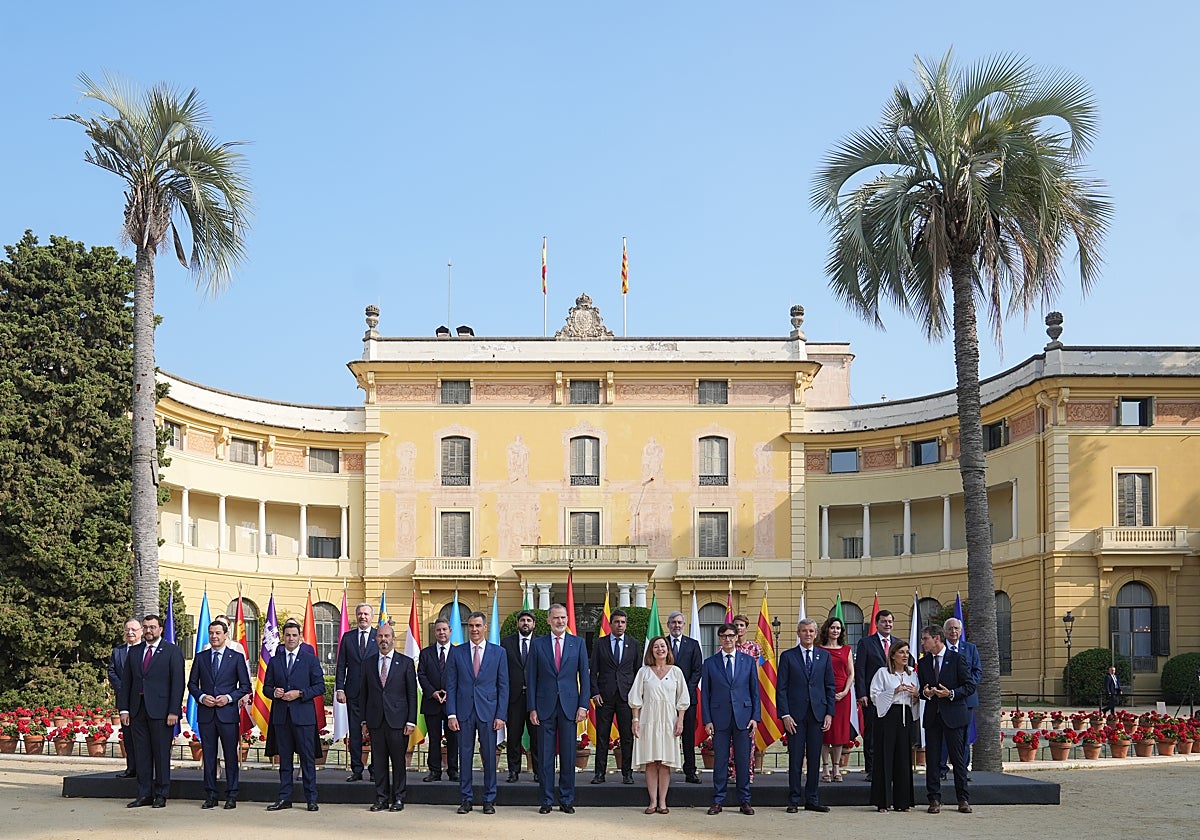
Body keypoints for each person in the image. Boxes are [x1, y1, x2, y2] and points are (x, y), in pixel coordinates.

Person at [526, 603, 590, 814]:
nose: (560, 621)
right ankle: (545, 800)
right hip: (544, 707)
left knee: (568, 756)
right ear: (548, 620)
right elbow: (532, 679)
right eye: (556, 618)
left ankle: (566, 799)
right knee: (544, 757)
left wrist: (583, 705)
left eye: (563, 618)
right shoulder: (538, 645)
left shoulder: (578, 643)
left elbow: (585, 677)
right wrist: (532, 708)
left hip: (570, 708)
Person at [118, 613, 184, 809]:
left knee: (161, 754)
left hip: (162, 712)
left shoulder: (172, 651)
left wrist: (174, 711)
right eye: (145, 627)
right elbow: (127, 682)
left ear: (161, 629)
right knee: (142, 754)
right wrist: (124, 709)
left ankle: (161, 794)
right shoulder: (135, 652)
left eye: (152, 627)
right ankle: (144, 794)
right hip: (138, 711)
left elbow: (177, 683)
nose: (148, 630)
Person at [447, 611, 509, 814]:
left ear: (485, 627)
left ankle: (489, 799)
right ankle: (466, 799)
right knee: (464, 756)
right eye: (471, 626)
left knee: (489, 757)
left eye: (478, 626)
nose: (474, 629)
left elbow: (503, 686)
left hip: (489, 712)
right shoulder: (457, 652)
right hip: (464, 712)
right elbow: (451, 685)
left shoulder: (498, 652)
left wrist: (501, 715)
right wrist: (451, 714)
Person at [187, 618, 252, 809]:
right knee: (209, 755)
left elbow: (245, 686)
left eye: (218, 633)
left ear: (225, 635)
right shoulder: (201, 657)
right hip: (206, 714)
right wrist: (201, 697)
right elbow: (192, 684)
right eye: (211, 633)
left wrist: (229, 698)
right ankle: (211, 795)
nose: (214, 636)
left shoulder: (236, 657)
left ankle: (231, 795)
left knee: (230, 756)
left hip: (227, 714)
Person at [263, 619, 325, 812]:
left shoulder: (310, 659)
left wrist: (300, 693)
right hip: (282, 718)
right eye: (288, 635)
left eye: (294, 635)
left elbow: (320, 687)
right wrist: (274, 693)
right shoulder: (275, 660)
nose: (291, 638)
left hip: (303, 718)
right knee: (285, 761)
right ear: (283, 637)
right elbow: (266, 688)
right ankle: (284, 798)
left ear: (300, 637)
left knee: (307, 760)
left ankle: (311, 798)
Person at [777, 617, 835, 814]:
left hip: (818, 714)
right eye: (804, 631)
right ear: (798, 633)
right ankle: (793, 799)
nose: (808, 634)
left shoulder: (824, 656)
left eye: (811, 631)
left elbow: (829, 686)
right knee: (795, 758)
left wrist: (829, 713)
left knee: (814, 758)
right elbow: (781, 689)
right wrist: (784, 715)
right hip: (795, 716)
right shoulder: (787, 656)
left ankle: (812, 799)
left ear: (816, 634)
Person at [701, 622, 760, 816]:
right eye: (724, 636)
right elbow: (706, 695)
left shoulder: (748, 661)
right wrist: (707, 720)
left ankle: (745, 801)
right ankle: (718, 800)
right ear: (720, 638)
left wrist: (755, 718)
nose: (728, 639)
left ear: (737, 637)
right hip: (719, 719)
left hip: (744, 717)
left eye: (731, 635)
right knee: (720, 761)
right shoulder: (710, 663)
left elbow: (755, 692)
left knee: (744, 760)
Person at [359, 621, 417, 812]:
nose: (383, 640)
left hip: (398, 722)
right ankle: (381, 798)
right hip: (376, 721)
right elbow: (364, 694)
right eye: (380, 636)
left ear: (393, 638)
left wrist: (411, 721)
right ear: (376, 639)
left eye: (387, 636)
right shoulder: (368, 663)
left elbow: (411, 694)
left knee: (398, 762)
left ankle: (399, 798)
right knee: (379, 761)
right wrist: (364, 721)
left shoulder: (406, 663)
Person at [918, 624, 975, 814]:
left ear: (937, 638)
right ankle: (934, 799)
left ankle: (963, 799)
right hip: (933, 717)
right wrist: (925, 693)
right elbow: (921, 689)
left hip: (954, 715)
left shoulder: (957, 659)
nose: (922, 642)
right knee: (932, 760)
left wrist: (950, 694)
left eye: (925, 638)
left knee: (958, 760)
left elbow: (969, 686)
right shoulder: (924, 663)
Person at [629, 636, 689, 814]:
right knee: (650, 762)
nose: (660, 649)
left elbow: (683, 699)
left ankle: (663, 802)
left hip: (669, 721)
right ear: (651, 651)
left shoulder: (676, 672)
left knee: (664, 763)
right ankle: (652, 802)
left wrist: (680, 720)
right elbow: (635, 699)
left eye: (663, 646)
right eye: (656, 647)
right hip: (648, 721)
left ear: (668, 649)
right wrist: (635, 721)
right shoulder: (644, 672)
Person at [590, 608, 641, 785]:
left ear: (626, 625)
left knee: (627, 736)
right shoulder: (600, 643)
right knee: (602, 736)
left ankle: (627, 773)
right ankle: (599, 773)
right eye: (617, 622)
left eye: (623, 622)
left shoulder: (633, 644)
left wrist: (637, 696)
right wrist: (594, 692)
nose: (620, 625)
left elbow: (638, 672)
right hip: (604, 697)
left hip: (626, 697)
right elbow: (592, 671)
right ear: (611, 624)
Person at [869, 640, 918, 813]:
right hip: (887, 716)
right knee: (885, 757)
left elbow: (917, 698)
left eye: (907, 652)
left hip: (905, 716)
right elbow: (874, 696)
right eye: (902, 652)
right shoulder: (883, 673)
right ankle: (883, 801)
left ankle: (902, 802)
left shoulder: (912, 674)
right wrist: (894, 691)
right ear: (893, 655)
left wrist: (916, 694)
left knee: (903, 759)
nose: (905, 655)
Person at [336, 602, 378, 782]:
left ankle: (376, 770)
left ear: (372, 617)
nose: (363, 617)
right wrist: (339, 688)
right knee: (354, 733)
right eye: (360, 613)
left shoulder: (380, 636)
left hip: (375, 694)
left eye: (366, 614)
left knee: (376, 733)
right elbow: (341, 666)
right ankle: (357, 769)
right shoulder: (348, 637)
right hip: (352, 693)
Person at [854, 608, 895, 781]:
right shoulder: (866, 643)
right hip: (872, 697)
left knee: (891, 733)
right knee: (872, 733)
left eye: (890, 621)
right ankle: (872, 770)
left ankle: (890, 769)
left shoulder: (898, 644)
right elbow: (860, 669)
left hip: (894, 697)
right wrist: (861, 693)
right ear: (877, 624)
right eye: (884, 621)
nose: (887, 624)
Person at [417, 619, 459, 782]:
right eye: (438, 630)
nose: (441, 633)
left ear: (450, 631)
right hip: (431, 702)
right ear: (435, 633)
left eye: (444, 629)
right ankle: (434, 771)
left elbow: (461, 676)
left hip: (452, 703)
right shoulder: (425, 653)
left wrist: (450, 692)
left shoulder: (458, 652)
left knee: (453, 738)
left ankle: (453, 770)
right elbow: (421, 675)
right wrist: (433, 692)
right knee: (433, 739)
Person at [940, 617, 981, 780]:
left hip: (966, 699)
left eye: (956, 628)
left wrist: (964, 689)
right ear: (944, 632)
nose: (953, 631)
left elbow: (977, 671)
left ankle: (962, 770)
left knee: (964, 737)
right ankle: (941, 769)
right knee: (943, 736)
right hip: (944, 699)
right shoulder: (940, 649)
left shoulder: (970, 649)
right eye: (950, 628)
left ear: (961, 630)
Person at [500, 609, 539, 783]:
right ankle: (513, 771)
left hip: (535, 699)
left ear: (534, 624)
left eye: (528, 621)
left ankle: (538, 771)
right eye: (522, 620)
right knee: (514, 736)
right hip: (513, 698)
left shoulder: (540, 643)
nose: (525, 623)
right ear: (518, 623)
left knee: (536, 737)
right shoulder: (506, 643)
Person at [665, 611, 703, 783]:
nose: (676, 625)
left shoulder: (693, 645)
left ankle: (690, 771)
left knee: (688, 736)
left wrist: (684, 691)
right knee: (665, 735)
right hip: (665, 699)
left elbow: (697, 670)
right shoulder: (661, 643)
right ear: (668, 625)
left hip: (687, 698)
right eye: (673, 622)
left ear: (684, 624)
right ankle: (665, 771)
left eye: (679, 622)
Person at [818, 615, 854, 782]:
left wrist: (845, 691)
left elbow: (851, 673)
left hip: (842, 694)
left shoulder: (846, 649)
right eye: (833, 627)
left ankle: (837, 768)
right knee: (825, 731)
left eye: (838, 628)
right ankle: (825, 767)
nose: (835, 630)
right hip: (824, 694)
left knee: (839, 732)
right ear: (827, 629)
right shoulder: (819, 649)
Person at [108, 617, 142, 779]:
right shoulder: (118, 651)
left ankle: (145, 770)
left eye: (134, 630)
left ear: (141, 631)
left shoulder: (146, 650)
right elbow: (112, 672)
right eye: (127, 629)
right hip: (124, 700)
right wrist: (123, 688)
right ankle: (131, 768)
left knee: (142, 737)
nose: (130, 632)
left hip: (143, 700)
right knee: (128, 736)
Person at [730, 614, 761, 782]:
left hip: (746, 700)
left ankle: (747, 773)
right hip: (730, 701)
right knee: (730, 744)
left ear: (746, 628)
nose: (739, 628)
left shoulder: (754, 648)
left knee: (748, 740)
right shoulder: (725, 648)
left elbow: (754, 678)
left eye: (742, 625)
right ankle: (731, 772)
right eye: (736, 625)